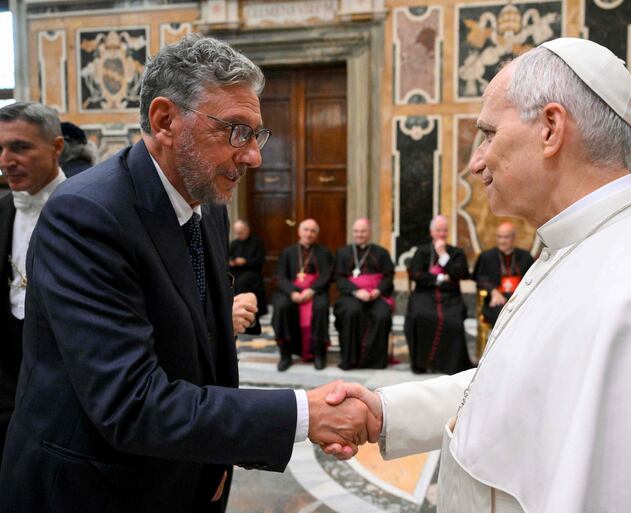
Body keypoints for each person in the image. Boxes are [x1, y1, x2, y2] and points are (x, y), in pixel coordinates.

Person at [325, 38, 631, 513]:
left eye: (489, 133)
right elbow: (514, 384)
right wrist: (388, 412)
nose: (476, 162)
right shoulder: (578, 245)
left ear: (551, 129)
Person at [0, 35, 372, 513]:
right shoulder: (86, 215)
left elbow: (207, 353)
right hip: (97, 489)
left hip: (184, 475)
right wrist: (304, 413)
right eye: (235, 130)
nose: (253, 156)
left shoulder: (206, 204)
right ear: (165, 120)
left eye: (255, 134)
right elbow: (131, 402)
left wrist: (214, 462)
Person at [0, 102, 65, 467]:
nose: (6, 160)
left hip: (67, 394)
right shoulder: (2, 211)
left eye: (20, 147)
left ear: (56, 148)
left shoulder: (93, 209)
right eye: (1, 149)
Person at [405, 215, 473, 374]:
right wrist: (442, 277)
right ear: (431, 232)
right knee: (419, 316)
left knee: (453, 321)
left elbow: (460, 273)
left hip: (450, 297)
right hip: (424, 294)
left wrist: (443, 255)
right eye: (438, 230)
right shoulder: (421, 251)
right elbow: (417, 276)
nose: (441, 234)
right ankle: (422, 364)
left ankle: (449, 365)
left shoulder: (456, 252)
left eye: (444, 230)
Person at [272, 218, 333, 371]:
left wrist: (312, 290)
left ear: (317, 234)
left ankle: (319, 353)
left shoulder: (324, 252)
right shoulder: (288, 252)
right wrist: (292, 292)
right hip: (291, 291)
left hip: (315, 291)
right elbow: (280, 276)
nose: (309, 233)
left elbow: (327, 275)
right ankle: (285, 354)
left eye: (313, 231)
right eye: (306, 229)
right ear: (299, 232)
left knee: (320, 307)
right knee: (281, 307)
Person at [333, 218, 394, 370]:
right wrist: (356, 291)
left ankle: (376, 361)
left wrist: (377, 291)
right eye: (356, 231)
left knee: (382, 315)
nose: (359, 235)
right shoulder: (343, 252)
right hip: (352, 294)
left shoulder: (381, 252)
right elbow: (338, 278)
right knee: (351, 312)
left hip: (376, 294)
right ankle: (350, 359)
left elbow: (388, 277)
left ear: (369, 232)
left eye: (363, 231)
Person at [472, 221, 534, 326]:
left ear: (514, 238)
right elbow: (480, 278)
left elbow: (533, 278)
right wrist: (493, 291)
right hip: (497, 300)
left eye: (506, 237)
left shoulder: (525, 256)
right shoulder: (487, 257)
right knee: (501, 315)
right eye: (499, 237)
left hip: (520, 299)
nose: (502, 241)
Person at [228, 218, 267, 325]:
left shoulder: (257, 242)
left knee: (242, 282)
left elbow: (259, 260)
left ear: (247, 230)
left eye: (241, 232)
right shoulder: (234, 243)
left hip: (252, 271)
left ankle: (246, 310)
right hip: (236, 271)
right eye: (237, 232)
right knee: (227, 280)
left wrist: (245, 261)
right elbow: (229, 256)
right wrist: (231, 261)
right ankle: (231, 310)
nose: (239, 234)